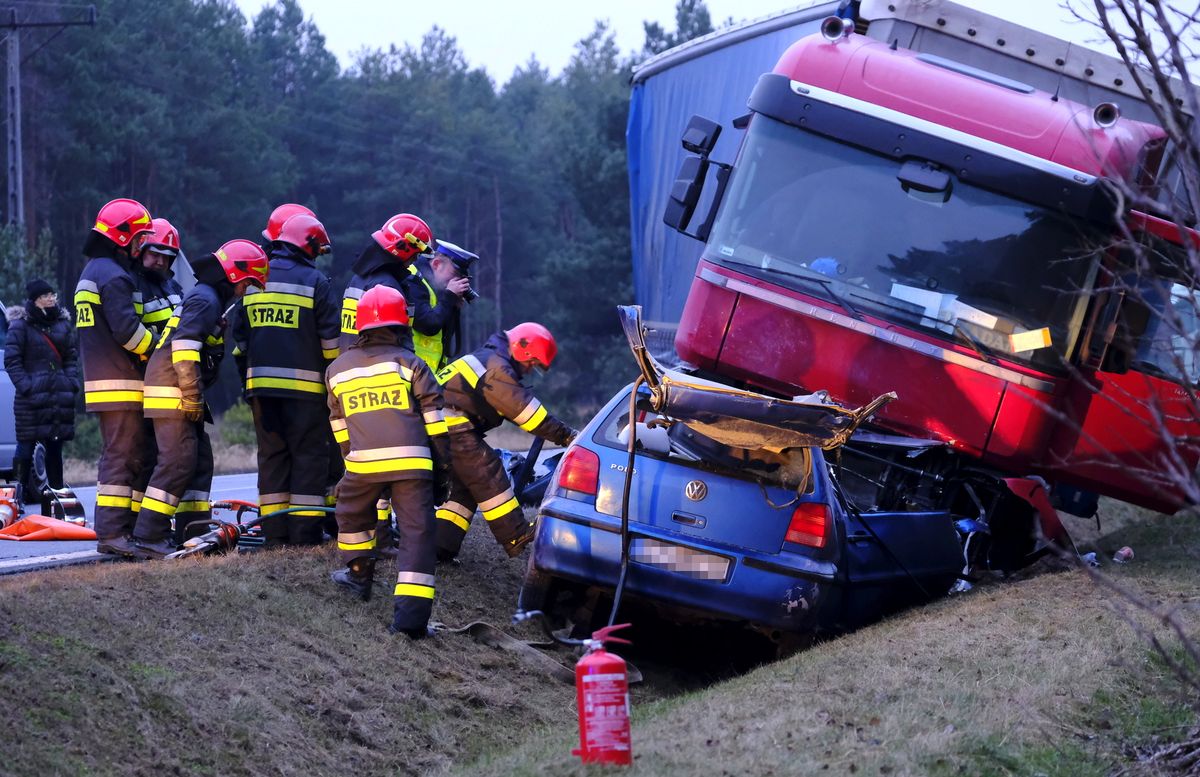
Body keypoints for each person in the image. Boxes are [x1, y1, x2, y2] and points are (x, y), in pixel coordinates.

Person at [325, 285, 450, 639]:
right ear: (401, 327)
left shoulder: (337, 370)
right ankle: (409, 624)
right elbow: (436, 426)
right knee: (417, 536)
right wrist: (442, 469)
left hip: (363, 464)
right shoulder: (412, 364)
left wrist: (352, 460)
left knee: (350, 512)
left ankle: (358, 574)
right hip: (412, 465)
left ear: (361, 327)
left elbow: (339, 426)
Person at [134, 241, 269, 557]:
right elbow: (183, 347)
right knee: (177, 462)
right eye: (248, 283)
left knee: (199, 462)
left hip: (177, 387)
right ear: (235, 275)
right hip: (173, 389)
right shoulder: (206, 299)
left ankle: (190, 529)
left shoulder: (208, 298)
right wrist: (192, 394)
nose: (246, 291)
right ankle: (148, 534)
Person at [234, 212, 339, 545]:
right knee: (308, 458)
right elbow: (332, 347)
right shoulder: (315, 283)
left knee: (272, 459)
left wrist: (248, 383)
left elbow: (239, 342)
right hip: (307, 393)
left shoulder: (254, 279)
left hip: (261, 392)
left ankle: (275, 535)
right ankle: (304, 535)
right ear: (306, 246)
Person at [434, 322, 578, 561]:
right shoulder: (496, 367)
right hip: (448, 425)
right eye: (531, 363)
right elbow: (527, 413)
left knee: (466, 488)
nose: (530, 370)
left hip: (441, 424)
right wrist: (568, 436)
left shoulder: (490, 357)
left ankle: (441, 546)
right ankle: (516, 534)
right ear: (522, 348)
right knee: (486, 470)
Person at [338, 213, 434, 552]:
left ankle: (376, 535)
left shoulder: (359, 277)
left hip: (350, 376)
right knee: (390, 459)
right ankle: (380, 536)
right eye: (414, 253)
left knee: (368, 460)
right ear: (403, 248)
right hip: (384, 374)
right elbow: (396, 338)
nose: (415, 260)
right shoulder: (387, 286)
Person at [74, 198, 157, 557]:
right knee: (122, 456)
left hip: (102, 379)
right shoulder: (114, 275)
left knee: (121, 454)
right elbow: (128, 333)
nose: (141, 247)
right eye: (139, 238)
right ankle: (111, 533)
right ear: (122, 237)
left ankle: (120, 530)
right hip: (120, 381)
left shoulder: (92, 271)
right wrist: (160, 349)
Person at [4, 279, 80, 502]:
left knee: (55, 451)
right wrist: (27, 387)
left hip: (58, 397)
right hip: (30, 400)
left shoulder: (62, 324)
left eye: (52, 294)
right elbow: (12, 361)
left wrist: (71, 382)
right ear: (35, 300)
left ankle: (57, 499)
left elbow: (70, 357)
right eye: (45, 295)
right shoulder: (20, 325)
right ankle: (15, 498)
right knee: (25, 449)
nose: (51, 298)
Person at [130, 217, 185, 517]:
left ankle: (156, 520)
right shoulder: (134, 284)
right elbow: (129, 331)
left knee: (163, 456)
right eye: (154, 253)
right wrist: (160, 352)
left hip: (169, 381)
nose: (160, 261)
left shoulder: (172, 285)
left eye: (167, 256)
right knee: (145, 456)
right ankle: (140, 521)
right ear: (141, 250)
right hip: (145, 378)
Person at [402, 238, 477, 372]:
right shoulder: (413, 280)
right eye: (454, 274)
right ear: (436, 264)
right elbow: (428, 325)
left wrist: (453, 306)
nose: (456, 281)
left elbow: (445, 337)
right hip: (409, 371)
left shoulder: (436, 286)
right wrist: (449, 297)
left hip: (426, 374)